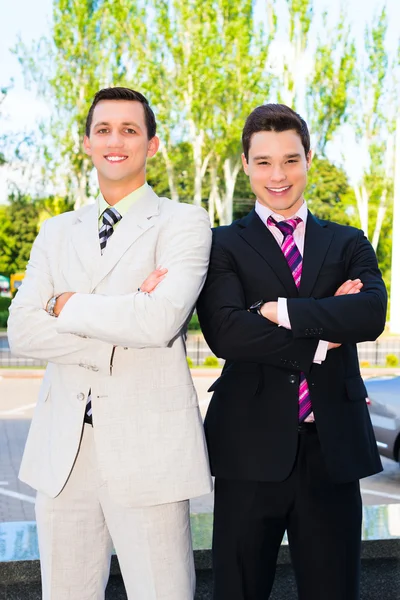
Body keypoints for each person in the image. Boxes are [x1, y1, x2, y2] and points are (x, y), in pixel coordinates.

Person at [8, 86, 212, 600]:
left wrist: (66, 304)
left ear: (153, 144)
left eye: (129, 130)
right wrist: (120, 326)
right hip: (64, 454)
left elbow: (158, 321)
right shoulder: (55, 232)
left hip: (150, 451)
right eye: (103, 130)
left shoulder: (185, 222)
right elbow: (23, 331)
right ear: (86, 143)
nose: (115, 140)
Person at [196, 103, 387, 600]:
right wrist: (325, 330)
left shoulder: (347, 242)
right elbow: (227, 334)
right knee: (239, 590)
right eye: (263, 162)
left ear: (308, 159)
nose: (277, 176)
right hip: (247, 448)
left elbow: (370, 316)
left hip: (333, 449)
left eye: (290, 160)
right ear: (245, 164)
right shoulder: (220, 245)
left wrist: (279, 311)